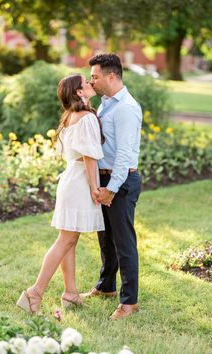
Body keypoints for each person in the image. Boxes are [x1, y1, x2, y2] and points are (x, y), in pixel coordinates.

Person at [16, 73, 105, 314]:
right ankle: (34, 293)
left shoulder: (69, 117)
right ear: (79, 92)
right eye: (85, 83)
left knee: (70, 240)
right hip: (78, 182)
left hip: (70, 180)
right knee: (65, 240)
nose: (90, 83)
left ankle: (70, 293)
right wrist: (94, 188)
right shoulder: (85, 118)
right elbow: (88, 156)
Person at [83, 53, 142, 320]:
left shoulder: (126, 107)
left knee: (123, 241)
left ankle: (129, 302)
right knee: (105, 238)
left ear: (111, 76)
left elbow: (124, 155)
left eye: (94, 76)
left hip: (121, 181)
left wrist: (112, 188)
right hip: (105, 179)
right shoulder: (106, 103)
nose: (90, 80)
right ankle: (106, 286)